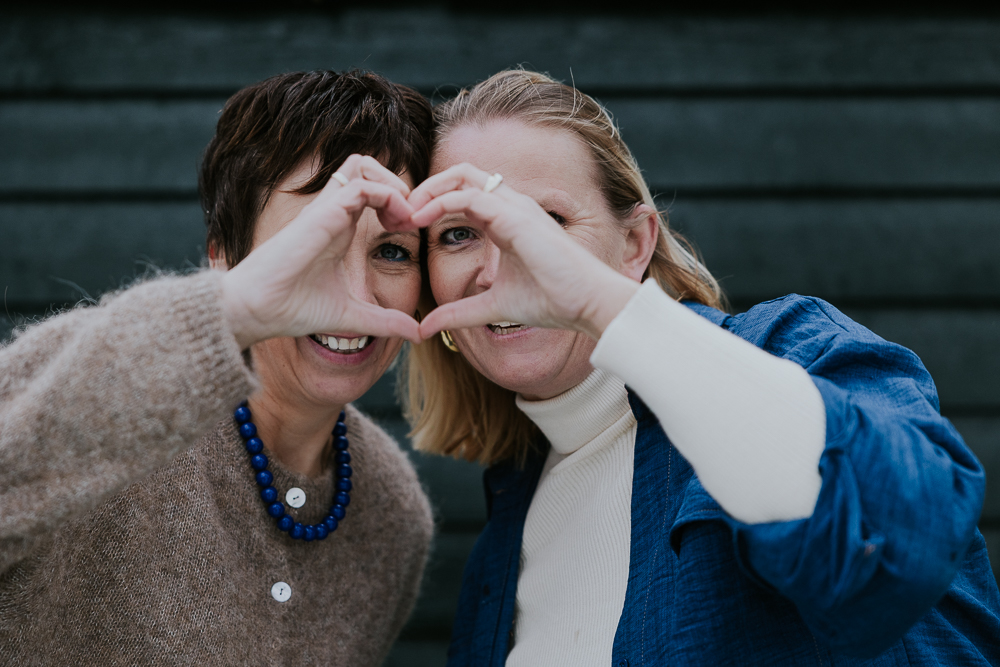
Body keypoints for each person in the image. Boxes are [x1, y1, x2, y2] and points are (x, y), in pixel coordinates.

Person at [403, 69, 1000, 665]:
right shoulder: (500, 547)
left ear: (635, 245)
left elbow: (909, 535)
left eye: (545, 222)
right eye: (457, 234)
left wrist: (603, 305)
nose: (498, 268)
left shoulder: (790, 350)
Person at [0, 70, 433, 664]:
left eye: (393, 252)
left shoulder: (393, 513)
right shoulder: (109, 409)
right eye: (314, 240)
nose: (355, 296)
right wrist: (230, 311)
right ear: (224, 259)